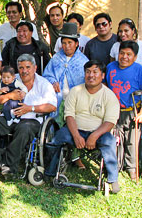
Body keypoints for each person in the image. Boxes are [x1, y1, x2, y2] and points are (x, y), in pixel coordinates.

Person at [44, 60, 121, 194]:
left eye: (95, 72)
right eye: (88, 72)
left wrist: (94, 136)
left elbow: (110, 122)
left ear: (102, 75)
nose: (91, 75)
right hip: (75, 130)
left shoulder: (109, 96)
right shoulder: (76, 91)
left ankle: (112, 178)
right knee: (58, 138)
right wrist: (76, 136)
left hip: (98, 132)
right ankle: (50, 172)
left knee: (109, 142)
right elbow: (69, 116)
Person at [0, 54, 56, 176]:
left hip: (31, 120)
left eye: (27, 67)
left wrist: (30, 108)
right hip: (10, 117)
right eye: (21, 67)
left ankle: (8, 165)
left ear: (35, 68)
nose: (24, 71)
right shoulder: (10, 78)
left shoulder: (44, 84)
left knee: (24, 128)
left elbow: (52, 106)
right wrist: (10, 96)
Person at [106, 40, 142, 180]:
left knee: (132, 140)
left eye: (129, 54)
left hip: (131, 111)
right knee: (116, 138)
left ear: (135, 57)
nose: (124, 57)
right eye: (122, 53)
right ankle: (116, 165)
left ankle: (132, 167)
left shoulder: (140, 70)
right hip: (114, 110)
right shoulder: (111, 67)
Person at [43, 22, 89, 124]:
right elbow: (46, 75)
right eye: (64, 43)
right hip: (57, 98)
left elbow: (87, 81)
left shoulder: (83, 61)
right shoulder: (56, 58)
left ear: (76, 44)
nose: (66, 46)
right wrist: (53, 81)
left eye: (70, 43)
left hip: (75, 101)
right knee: (56, 123)